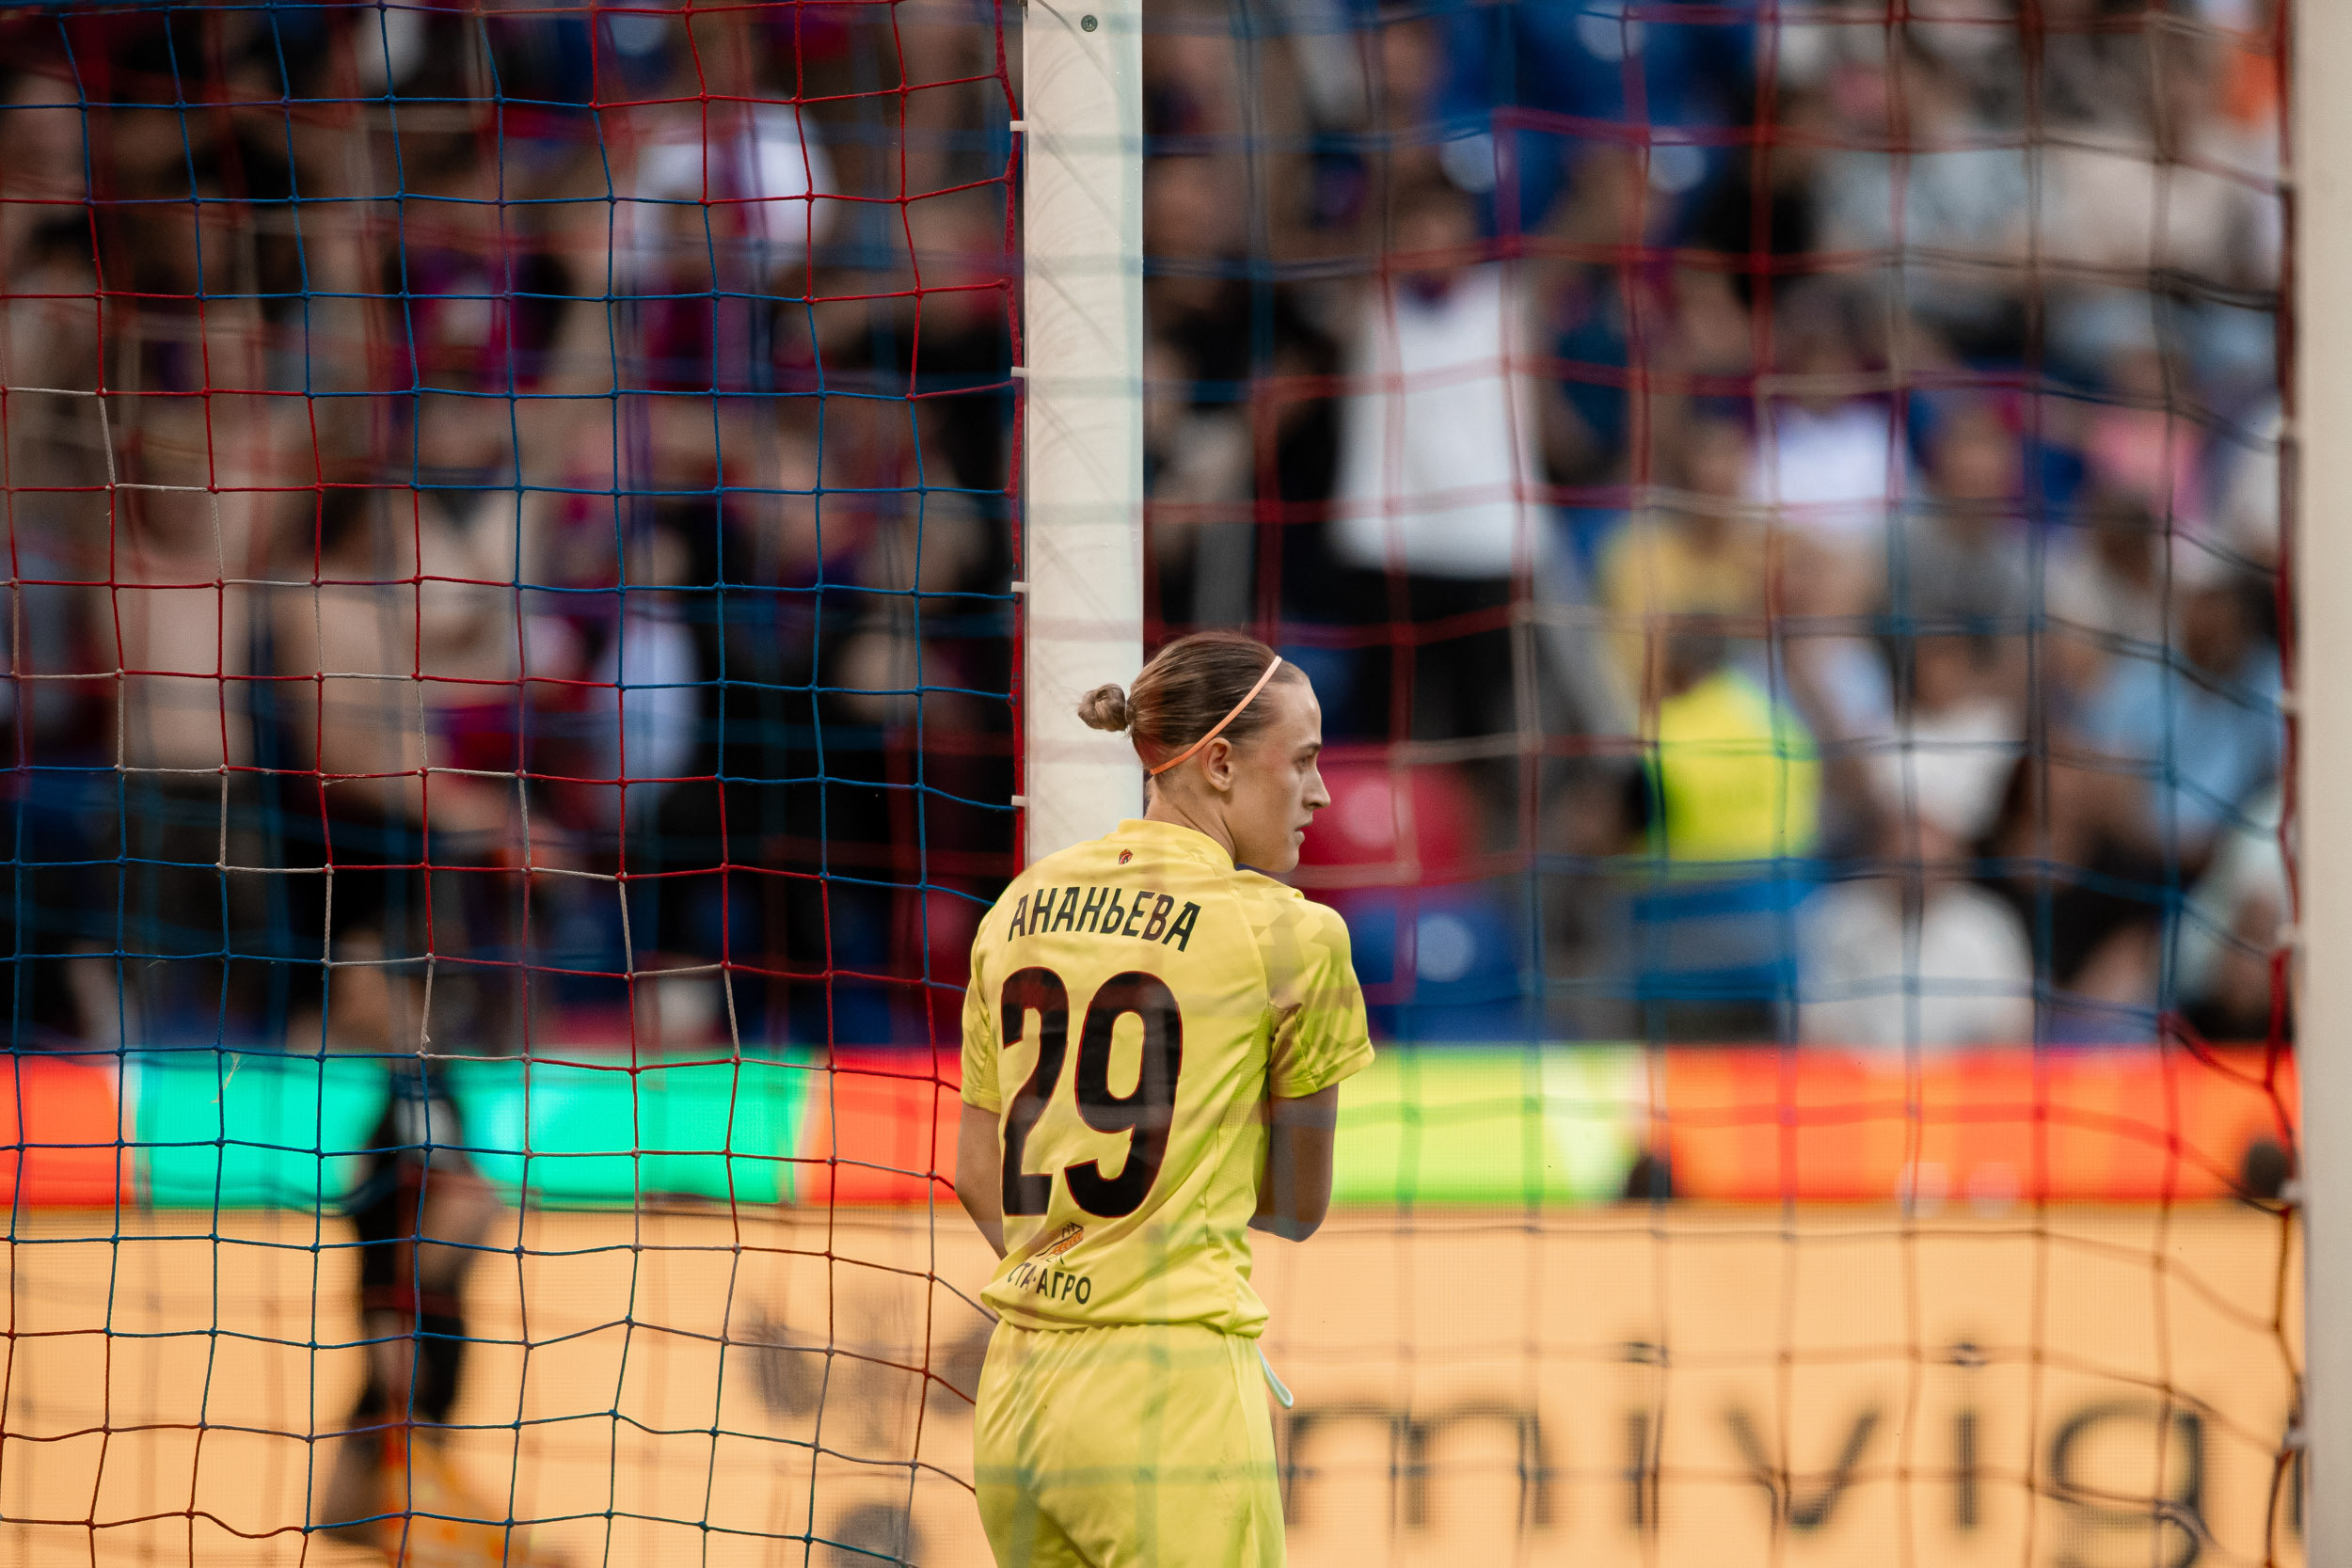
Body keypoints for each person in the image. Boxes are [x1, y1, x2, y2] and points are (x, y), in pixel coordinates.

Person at [953, 630, 1373, 1568]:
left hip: (1019, 1388)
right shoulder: (1291, 936)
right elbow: (1296, 1209)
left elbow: (978, 1174)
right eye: (1302, 759)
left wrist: (1076, 1261)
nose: (1321, 791)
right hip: (1169, 1393)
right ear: (1219, 761)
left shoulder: (1016, 906)